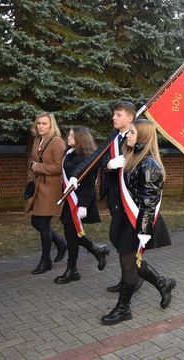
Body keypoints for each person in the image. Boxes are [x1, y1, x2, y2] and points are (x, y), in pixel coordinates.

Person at [101, 119, 175, 325]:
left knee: (129, 264)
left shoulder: (150, 164)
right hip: (127, 219)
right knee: (132, 261)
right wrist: (111, 167)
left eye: (132, 132)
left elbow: (149, 201)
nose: (128, 135)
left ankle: (123, 308)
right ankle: (163, 283)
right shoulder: (131, 158)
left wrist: (143, 230)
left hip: (140, 221)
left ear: (142, 136)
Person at [67, 101, 145, 293]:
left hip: (131, 197)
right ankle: (127, 278)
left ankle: (136, 279)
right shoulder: (114, 136)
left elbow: (146, 160)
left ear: (130, 117)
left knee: (128, 241)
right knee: (118, 239)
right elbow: (94, 158)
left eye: (118, 114)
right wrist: (75, 175)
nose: (113, 117)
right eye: (114, 114)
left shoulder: (138, 136)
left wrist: (127, 161)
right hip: (114, 196)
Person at [55, 127, 110, 284]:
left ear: (81, 138)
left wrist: (83, 205)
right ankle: (96, 251)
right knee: (71, 233)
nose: (68, 137)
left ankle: (73, 269)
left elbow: (89, 184)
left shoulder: (87, 157)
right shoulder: (69, 153)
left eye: (72, 135)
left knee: (72, 234)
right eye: (69, 134)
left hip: (79, 201)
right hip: (70, 200)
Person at [25, 112, 67, 275]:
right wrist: (32, 165)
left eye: (44, 124)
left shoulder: (57, 142)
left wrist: (38, 167)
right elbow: (32, 160)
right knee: (36, 223)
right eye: (39, 123)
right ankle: (61, 243)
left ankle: (45, 260)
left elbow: (59, 167)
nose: (41, 126)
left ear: (51, 126)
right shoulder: (37, 140)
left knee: (42, 224)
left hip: (51, 189)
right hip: (38, 187)